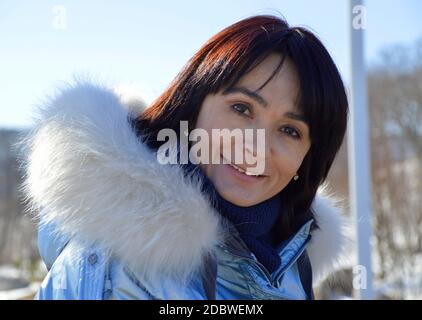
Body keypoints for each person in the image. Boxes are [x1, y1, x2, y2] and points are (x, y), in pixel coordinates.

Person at [21, 14, 350, 300]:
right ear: (192, 108)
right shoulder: (112, 265)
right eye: (242, 108)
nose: (257, 147)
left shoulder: (294, 263)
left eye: (290, 130)